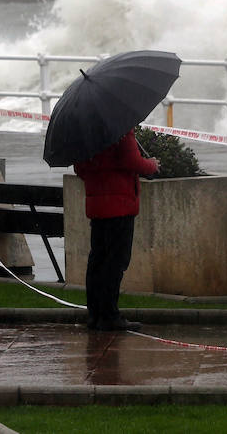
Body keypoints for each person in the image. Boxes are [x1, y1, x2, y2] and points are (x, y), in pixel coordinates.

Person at [74, 128, 159, 331]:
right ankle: (110, 315)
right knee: (115, 262)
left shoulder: (85, 133)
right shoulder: (120, 129)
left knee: (98, 260)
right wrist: (152, 165)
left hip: (97, 205)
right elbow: (132, 161)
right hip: (120, 205)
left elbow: (79, 168)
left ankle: (95, 315)